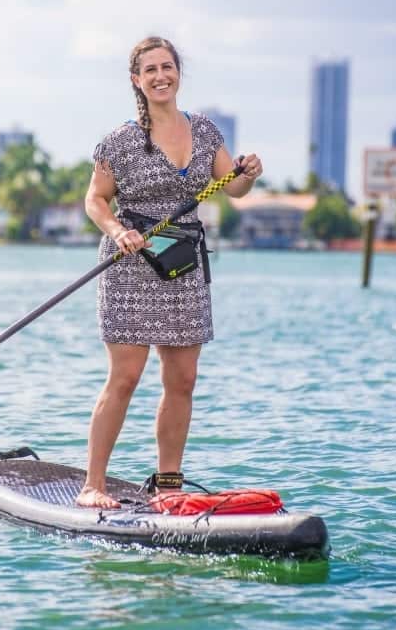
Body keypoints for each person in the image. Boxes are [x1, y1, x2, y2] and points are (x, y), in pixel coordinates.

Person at [76, 36, 262, 508]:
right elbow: (94, 199)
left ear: (179, 72)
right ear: (136, 80)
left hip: (182, 263)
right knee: (126, 377)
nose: (161, 76)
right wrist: (117, 231)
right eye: (150, 70)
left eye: (168, 67)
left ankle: (169, 485)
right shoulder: (121, 140)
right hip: (130, 264)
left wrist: (249, 173)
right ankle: (93, 485)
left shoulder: (204, 131)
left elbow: (234, 187)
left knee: (182, 379)